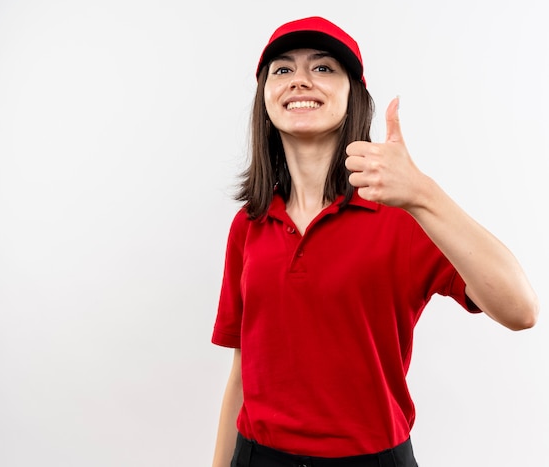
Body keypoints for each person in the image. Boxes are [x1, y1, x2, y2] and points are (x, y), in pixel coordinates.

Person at [210, 16, 539, 467]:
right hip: (256, 457)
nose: (299, 80)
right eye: (282, 70)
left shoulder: (403, 216)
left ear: (355, 96)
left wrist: (422, 192)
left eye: (323, 68)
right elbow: (241, 374)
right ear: (264, 97)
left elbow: (521, 310)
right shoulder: (249, 224)